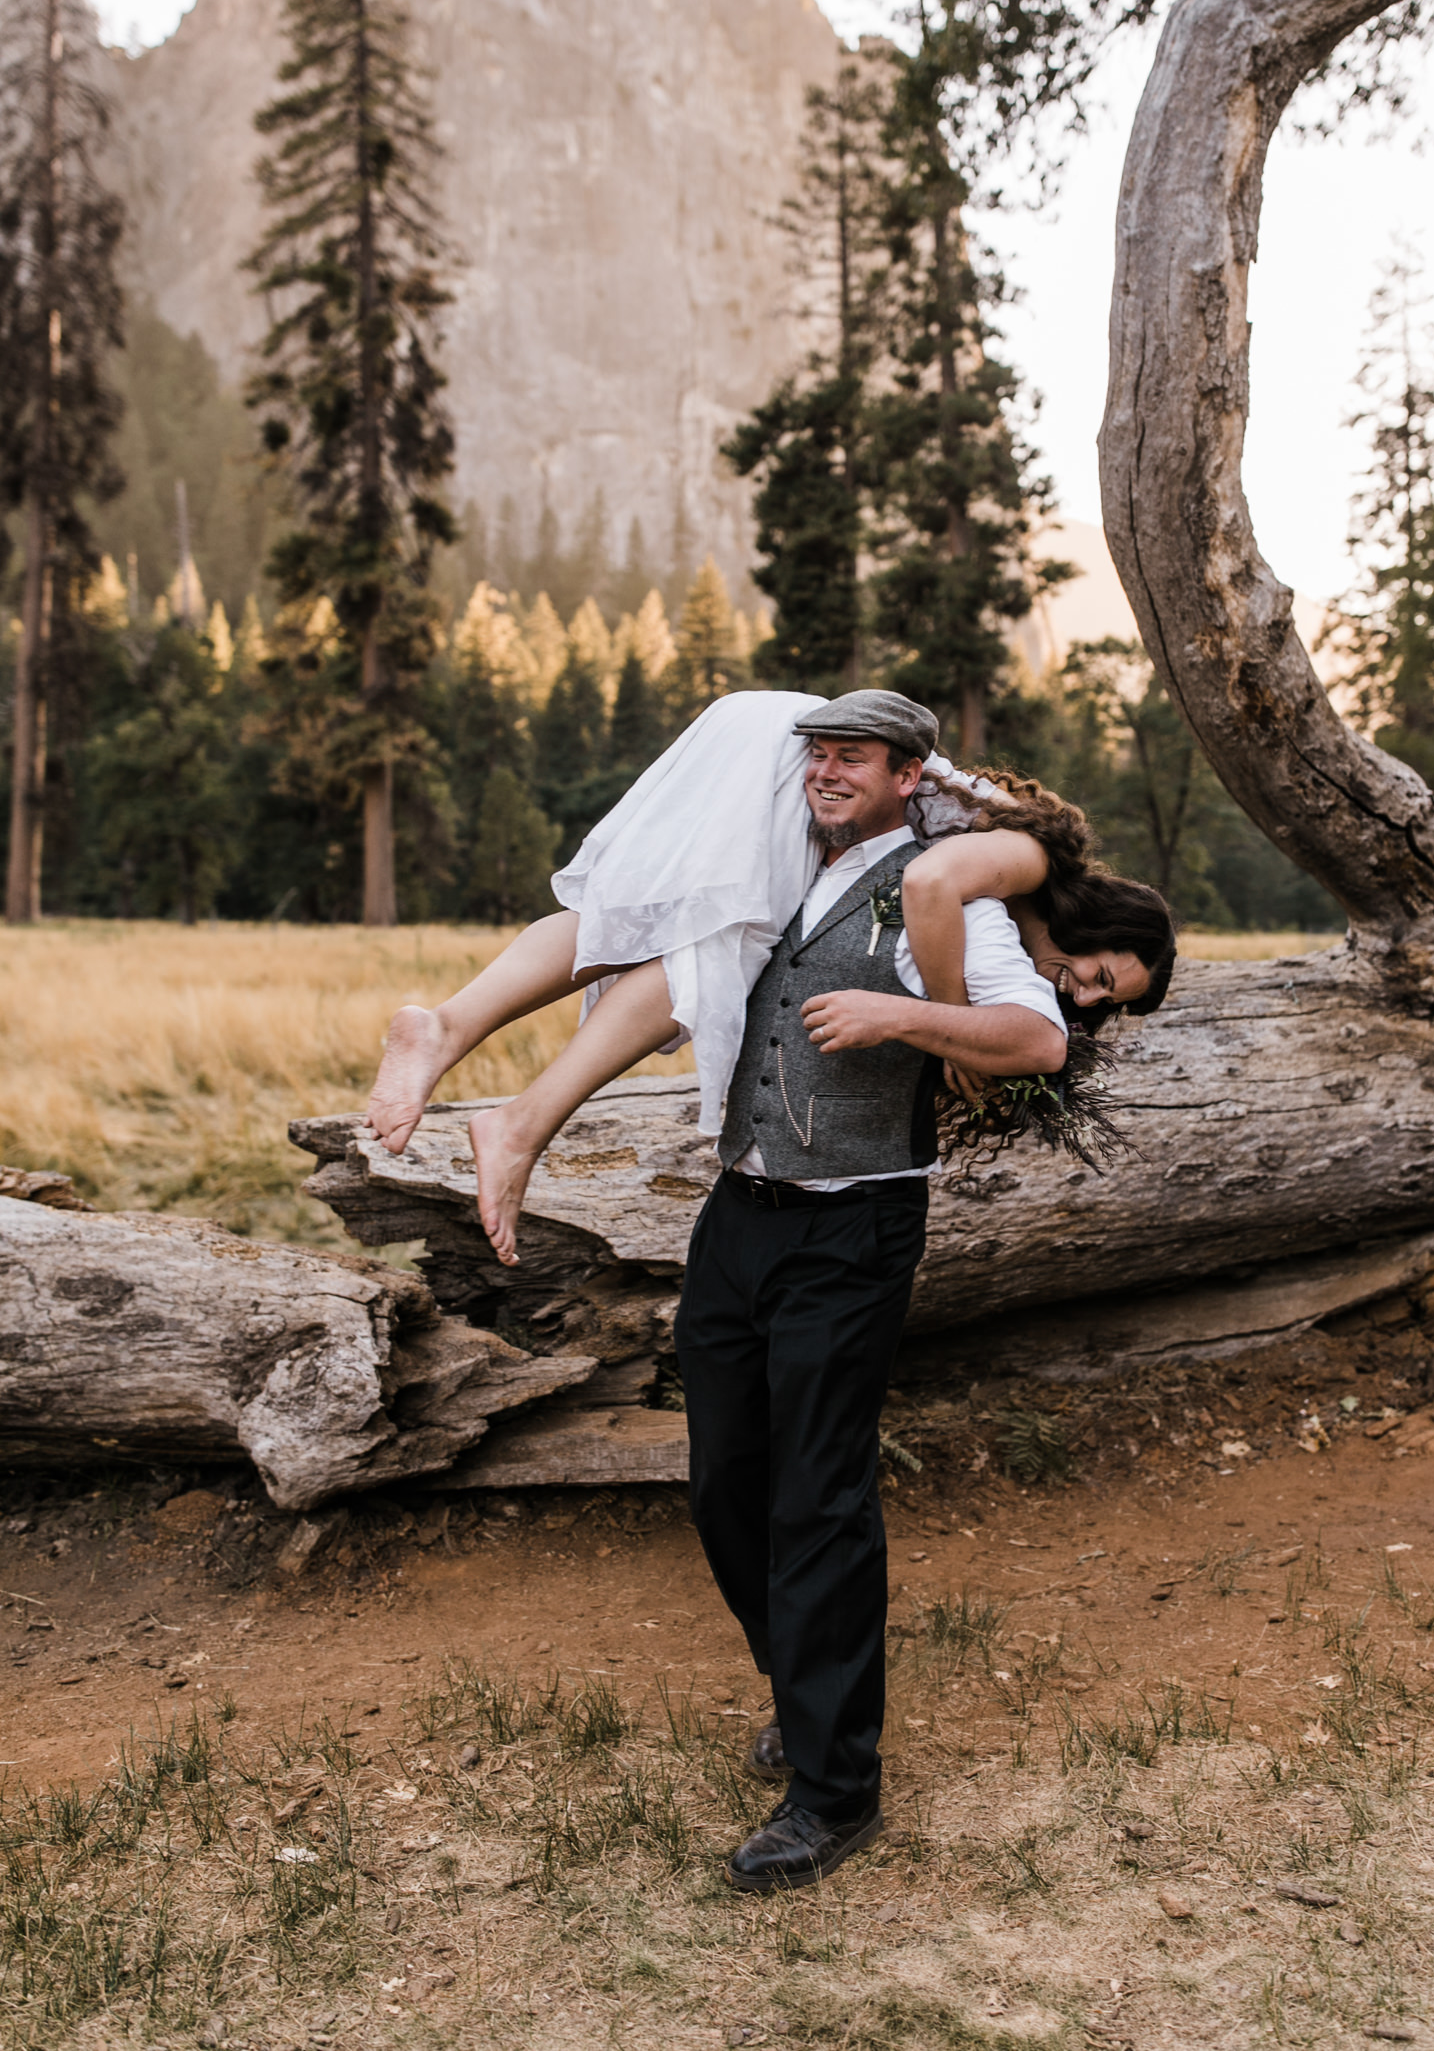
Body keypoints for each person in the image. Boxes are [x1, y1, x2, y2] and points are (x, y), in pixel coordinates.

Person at [672, 689, 1070, 1890]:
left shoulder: (938, 888)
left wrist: (900, 1010)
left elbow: (1034, 1038)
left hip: (853, 1227)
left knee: (819, 1499)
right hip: (737, 1214)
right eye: (816, 755)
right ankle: (802, 1691)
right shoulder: (778, 869)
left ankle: (833, 1788)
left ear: (909, 774)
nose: (825, 772)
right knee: (722, 1481)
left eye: (852, 756)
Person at [363, 688, 1174, 1259]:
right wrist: (954, 1033)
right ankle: (521, 1123)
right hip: (815, 748)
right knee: (719, 943)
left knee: (642, 918)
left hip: (778, 729)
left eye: (1103, 1002)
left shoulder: (1012, 879)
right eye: (1102, 974)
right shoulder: (1031, 860)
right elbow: (927, 884)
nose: (1084, 995)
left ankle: (450, 1025)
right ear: (1098, 921)